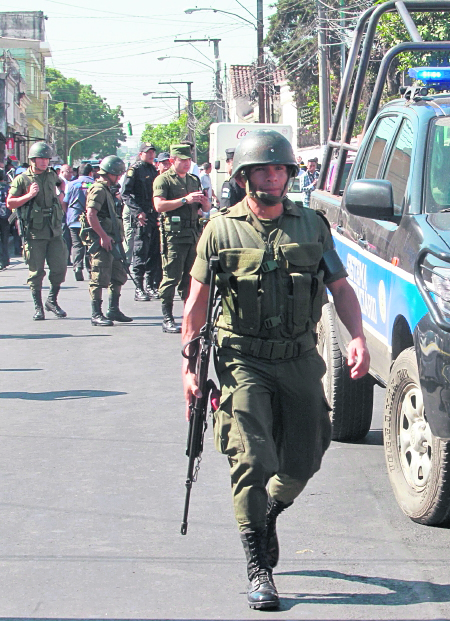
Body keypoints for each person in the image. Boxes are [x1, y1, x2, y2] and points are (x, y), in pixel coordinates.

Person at [181, 130, 369, 610]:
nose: (274, 176)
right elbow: (196, 308)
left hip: (299, 356)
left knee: (308, 452)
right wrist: (189, 370)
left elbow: (341, 289)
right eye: (264, 170)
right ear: (245, 177)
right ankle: (258, 565)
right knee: (251, 456)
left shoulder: (311, 226)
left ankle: (270, 512)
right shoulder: (220, 230)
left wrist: (358, 339)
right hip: (242, 358)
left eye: (281, 169)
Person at [7, 142, 69, 320]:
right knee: (36, 272)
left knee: (59, 268)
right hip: (34, 232)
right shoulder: (22, 179)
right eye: (41, 158)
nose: (44, 162)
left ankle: (52, 300)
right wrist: (28, 195)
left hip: (54, 230)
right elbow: (10, 203)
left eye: (47, 159)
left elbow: (61, 184)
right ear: (32, 160)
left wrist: (61, 196)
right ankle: (38, 307)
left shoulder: (51, 175)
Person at [153, 144, 209, 333]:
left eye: (188, 160)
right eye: (182, 160)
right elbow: (159, 206)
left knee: (190, 278)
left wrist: (204, 202)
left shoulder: (194, 180)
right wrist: (185, 200)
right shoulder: (163, 180)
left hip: (193, 234)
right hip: (174, 236)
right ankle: (167, 317)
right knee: (171, 277)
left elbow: (205, 209)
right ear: (172, 161)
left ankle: (189, 315)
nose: (186, 164)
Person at [81, 155, 132, 326]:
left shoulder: (108, 190)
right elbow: (91, 214)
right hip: (102, 241)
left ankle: (113, 309)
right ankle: (96, 313)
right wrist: (103, 236)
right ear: (108, 173)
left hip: (113, 239)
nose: (118, 178)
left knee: (118, 275)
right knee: (99, 276)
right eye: (117, 175)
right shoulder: (98, 189)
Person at [121, 142, 160, 301]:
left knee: (154, 252)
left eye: (152, 152)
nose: (151, 155)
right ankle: (139, 287)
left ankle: (150, 286)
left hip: (153, 215)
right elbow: (126, 194)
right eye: (147, 152)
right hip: (141, 217)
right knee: (140, 251)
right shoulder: (134, 170)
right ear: (140, 154)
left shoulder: (153, 170)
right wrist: (137, 212)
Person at [64, 163, 95, 281]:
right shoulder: (94, 184)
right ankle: (90, 269)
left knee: (77, 244)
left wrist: (68, 213)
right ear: (90, 173)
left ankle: (77, 267)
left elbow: (64, 201)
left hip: (74, 219)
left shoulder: (71, 184)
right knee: (90, 244)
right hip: (90, 219)